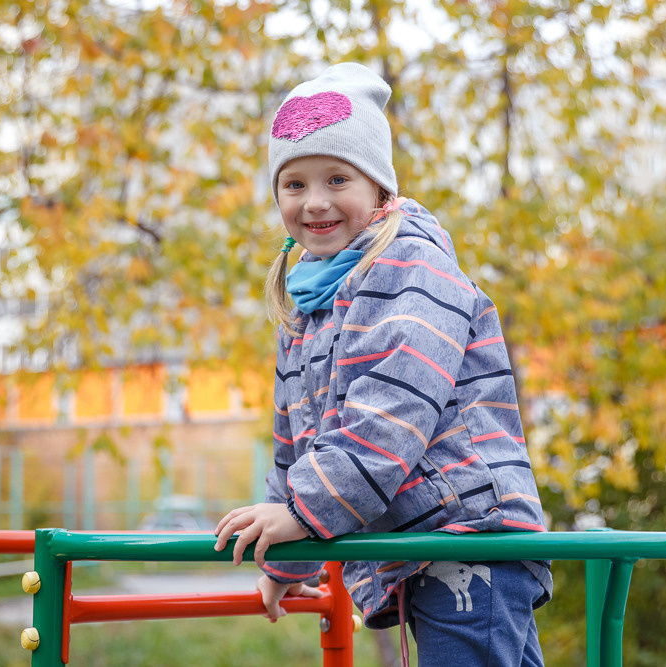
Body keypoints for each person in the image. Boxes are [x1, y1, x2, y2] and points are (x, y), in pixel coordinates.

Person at [214, 62, 552, 666]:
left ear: (379, 190)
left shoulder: (413, 269)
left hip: (469, 538)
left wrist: (300, 515)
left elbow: (393, 412)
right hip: (422, 547)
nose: (315, 202)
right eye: (294, 185)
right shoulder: (308, 301)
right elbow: (297, 445)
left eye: (337, 178)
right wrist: (287, 558)